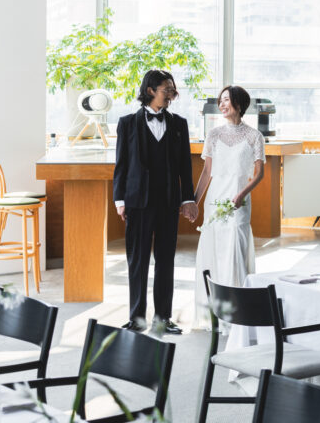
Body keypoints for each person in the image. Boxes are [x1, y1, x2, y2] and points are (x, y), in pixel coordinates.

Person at [113, 70, 199, 334]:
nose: (171, 94)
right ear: (150, 90)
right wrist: (119, 200)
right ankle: (136, 319)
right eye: (166, 89)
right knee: (137, 261)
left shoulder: (179, 124)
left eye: (172, 89)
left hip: (169, 202)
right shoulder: (127, 123)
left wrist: (188, 199)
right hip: (137, 201)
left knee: (166, 261)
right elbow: (121, 165)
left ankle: (163, 319)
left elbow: (185, 166)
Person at [193, 85, 265, 325]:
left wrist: (242, 194)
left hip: (240, 202)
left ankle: (238, 314)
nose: (222, 104)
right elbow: (207, 172)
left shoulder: (255, 136)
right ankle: (213, 314)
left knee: (235, 250)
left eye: (227, 100)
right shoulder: (213, 134)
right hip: (215, 200)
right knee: (214, 249)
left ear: (239, 104)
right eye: (221, 100)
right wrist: (194, 202)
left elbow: (259, 174)